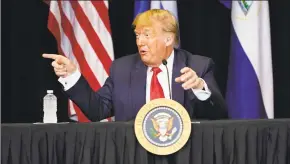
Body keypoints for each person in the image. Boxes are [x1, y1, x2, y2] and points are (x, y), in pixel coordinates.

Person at [42, 9, 228, 122]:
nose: (140, 42)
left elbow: (219, 115)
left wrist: (199, 87)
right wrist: (72, 76)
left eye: (147, 35)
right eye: (138, 35)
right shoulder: (122, 69)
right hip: (134, 159)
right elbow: (97, 110)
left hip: (185, 158)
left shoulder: (198, 66)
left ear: (168, 38)